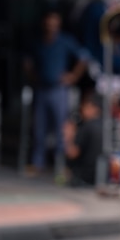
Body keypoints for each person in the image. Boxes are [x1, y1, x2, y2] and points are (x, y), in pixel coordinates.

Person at [23, 10, 90, 177]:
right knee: (39, 127)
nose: (51, 26)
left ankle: (61, 165)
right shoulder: (38, 42)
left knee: (62, 128)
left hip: (59, 90)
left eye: (54, 23)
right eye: (48, 22)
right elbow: (27, 61)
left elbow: (83, 57)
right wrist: (32, 76)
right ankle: (37, 162)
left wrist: (73, 76)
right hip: (42, 88)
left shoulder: (65, 41)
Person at [63, 92, 103, 186]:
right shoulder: (105, 126)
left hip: (84, 178)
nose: (82, 109)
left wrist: (68, 137)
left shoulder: (87, 127)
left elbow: (72, 153)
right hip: (101, 178)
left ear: (94, 108)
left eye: (85, 106)